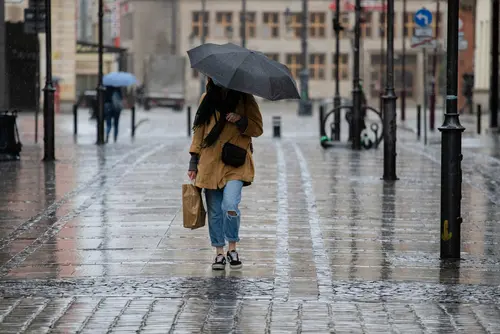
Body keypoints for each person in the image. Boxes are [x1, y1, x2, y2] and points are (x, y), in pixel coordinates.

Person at [187, 78, 263, 270]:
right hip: (209, 163)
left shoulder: (245, 99)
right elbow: (199, 131)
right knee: (214, 211)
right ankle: (219, 253)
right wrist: (193, 161)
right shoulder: (207, 98)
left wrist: (240, 120)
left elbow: (258, 128)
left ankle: (233, 247)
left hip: (235, 162)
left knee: (230, 205)